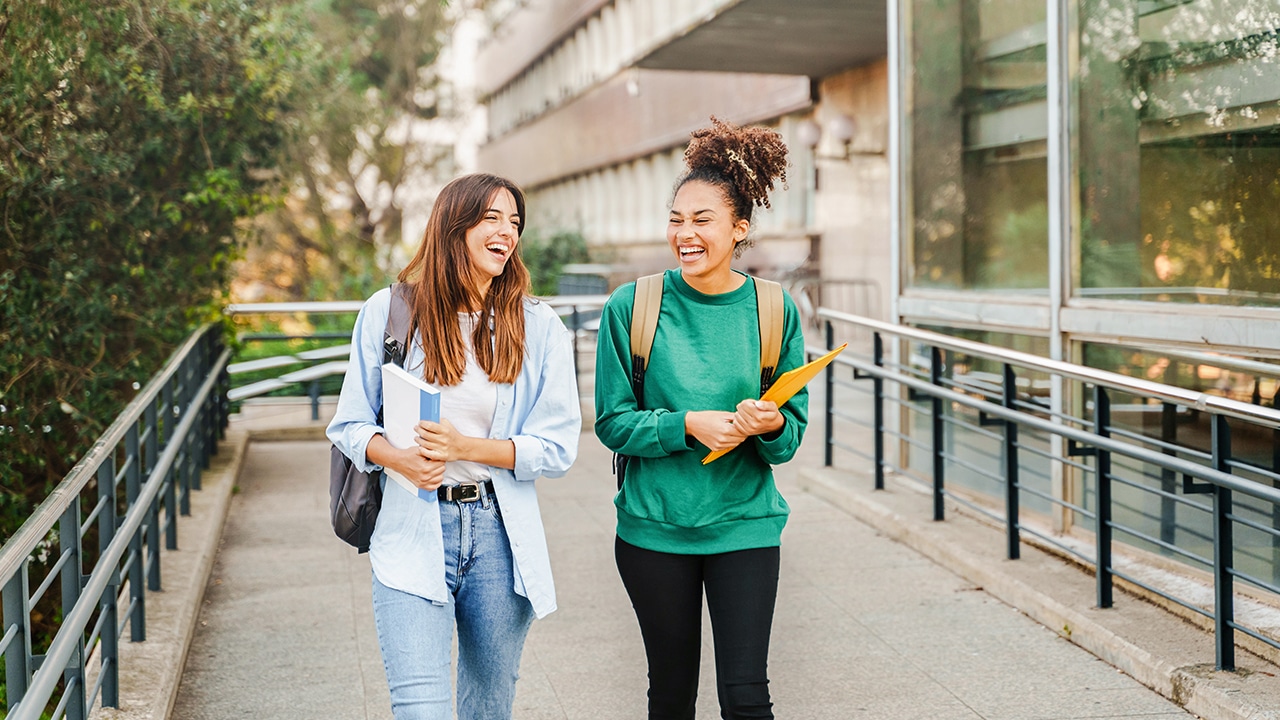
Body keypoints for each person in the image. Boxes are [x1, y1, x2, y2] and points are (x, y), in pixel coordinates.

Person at [327, 173, 581, 720]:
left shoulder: (537, 325)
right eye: (491, 217)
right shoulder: (390, 312)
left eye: (514, 222)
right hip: (411, 528)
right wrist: (396, 457)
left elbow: (557, 448)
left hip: (498, 535)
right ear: (453, 226)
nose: (506, 231)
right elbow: (348, 425)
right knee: (420, 710)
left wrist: (468, 446)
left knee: (488, 709)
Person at [593, 118, 808, 720]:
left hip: (745, 526)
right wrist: (686, 424)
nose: (684, 233)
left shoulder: (773, 310)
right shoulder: (632, 307)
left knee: (747, 698)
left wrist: (768, 426)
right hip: (653, 530)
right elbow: (612, 422)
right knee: (671, 697)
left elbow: (789, 436)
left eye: (702, 219)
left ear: (740, 229)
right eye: (676, 219)